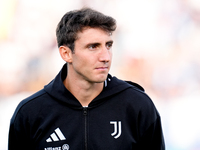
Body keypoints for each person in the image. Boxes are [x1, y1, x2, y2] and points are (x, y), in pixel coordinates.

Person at [8, 8, 165, 150]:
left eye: (108, 45)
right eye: (93, 47)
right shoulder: (30, 113)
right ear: (66, 54)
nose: (105, 57)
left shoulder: (138, 105)